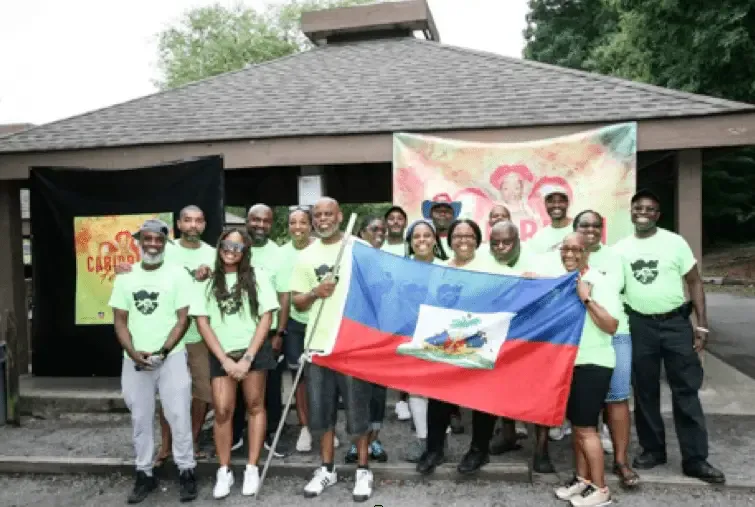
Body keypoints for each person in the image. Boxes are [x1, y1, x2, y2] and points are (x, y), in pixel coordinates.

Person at [614, 190, 725, 483]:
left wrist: (701, 325)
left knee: (685, 390)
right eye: (639, 208)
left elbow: (694, 282)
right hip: (639, 324)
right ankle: (653, 450)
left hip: (676, 324)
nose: (644, 213)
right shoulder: (621, 248)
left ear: (658, 215)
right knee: (645, 390)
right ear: (631, 212)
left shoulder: (675, 242)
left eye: (650, 209)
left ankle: (695, 459)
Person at [115, 206, 215, 467]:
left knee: (199, 395)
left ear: (204, 224)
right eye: (187, 220)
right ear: (179, 225)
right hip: (163, 339)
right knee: (161, 400)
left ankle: (190, 446)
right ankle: (165, 448)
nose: (193, 225)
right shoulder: (164, 250)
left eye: (198, 221)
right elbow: (140, 276)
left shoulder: (213, 254)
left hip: (198, 335)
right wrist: (122, 269)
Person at [290, 197, 374, 501]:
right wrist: (316, 292)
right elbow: (297, 299)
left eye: (329, 214)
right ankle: (327, 468)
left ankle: (363, 470)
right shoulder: (306, 254)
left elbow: (377, 287)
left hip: (350, 344)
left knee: (357, 413)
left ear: (339, 216)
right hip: (318, 345)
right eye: (318, 215)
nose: (323, 219)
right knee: (321, 414)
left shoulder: (358, 248)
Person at [109, 219, 198, 504]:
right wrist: (135, 353)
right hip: (134, 360)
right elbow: (120, 321)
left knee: (179, 415)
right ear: (139, 241)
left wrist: (163, 350)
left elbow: (183, 319)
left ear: (165, 243)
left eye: (158, 239)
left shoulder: (178, 275)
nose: (153, 244)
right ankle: (144, 473)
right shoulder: (126, 276)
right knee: (140, 418)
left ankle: (186, 470)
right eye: (147, 239)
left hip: (170, 357)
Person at [192, 229, 279, 498]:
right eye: (226, 244)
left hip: (253, 351)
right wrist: (225, 361)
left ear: (245, 250)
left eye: (238, 246)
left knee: (255, 406)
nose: (231, 249)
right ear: (219, 247)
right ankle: (224, 470)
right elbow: (202, 321)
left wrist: (248, 358)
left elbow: (266, 317)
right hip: (222, 354)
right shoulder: (206, 281)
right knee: (221, 410)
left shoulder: (258, 275)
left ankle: (252, 467)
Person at [549, 232, 618, 506]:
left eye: (577, 249)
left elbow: (611, 325)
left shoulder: (600, 281)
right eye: (565, 249)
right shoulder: (565, 280)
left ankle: (601, 490)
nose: (570, 254)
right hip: (570, 362)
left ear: (587, 252)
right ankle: (583, 480)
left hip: (594, 362)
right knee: (577, 427)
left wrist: (586, 299)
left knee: (587, 428)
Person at [573, 210, 639, 488]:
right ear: (575, 230)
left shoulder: (615, 257)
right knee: (582, 409)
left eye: (595, 225)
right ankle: (582, 474)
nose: (590, 229)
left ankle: (622, 462)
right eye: (583, 225)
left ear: (603, 229)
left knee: (617, 397)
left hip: (616, 334)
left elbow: (625, 295)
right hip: (581, 339)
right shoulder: (567, 254)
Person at [417, 218, 486, 475]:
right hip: (446, 342)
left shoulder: (490, 268)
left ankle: (479, 450)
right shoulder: (440, 270)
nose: (463, 240)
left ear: (477, 239)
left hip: (479, 342)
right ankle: (434, 449)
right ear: (449, 240)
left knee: (482, 399)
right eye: (457, 236)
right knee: (439, 398)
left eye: (469, 235)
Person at [230, 204, 289, 458]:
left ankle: (270, 437)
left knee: (269, 389)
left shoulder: (279, 254)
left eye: (266, 221)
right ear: (247, 221)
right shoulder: (236, 248)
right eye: (255, 220)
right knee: (236, 388)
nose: (260, 225)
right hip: (236, 331)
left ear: (272, 223)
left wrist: (280, 333)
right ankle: (235, 437)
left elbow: (284, 297)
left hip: (267, 332)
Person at [401, 219, 448, 463]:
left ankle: (438, 445)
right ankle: (424, 444)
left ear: (435, 240)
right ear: (409, 242)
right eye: (416, 236)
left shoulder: (446, 268)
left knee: (439, 392)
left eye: (426, 236)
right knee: (415, 390)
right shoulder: (400, 268)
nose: (421, 240)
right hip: (410, 335)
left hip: (441, 338)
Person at [345, 216, 390, 464]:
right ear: (361, 232)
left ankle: (375, 439)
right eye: (374, 229)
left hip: (381, 336)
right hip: (355, 335)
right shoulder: (351, 258)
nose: (379, 233)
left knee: (377, 394)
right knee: (355, 393)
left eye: (383, 229)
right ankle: (356, 442)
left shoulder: (391, 261)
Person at [278, 206, 318, 452]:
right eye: (293, 223)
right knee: (299, 378)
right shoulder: (283, 254)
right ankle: (305, 427)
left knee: (323, 377)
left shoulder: (321, 249)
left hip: (321, 323)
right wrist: (281, 330)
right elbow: (284, 295)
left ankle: (323, 426)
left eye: (303, 222)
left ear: (311, 225)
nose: (298, 227)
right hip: (295, 323)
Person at [382, 206, 413, 422]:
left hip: (407, 309)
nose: (395, 222)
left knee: (406, 356)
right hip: (383, 308)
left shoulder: (409, 248)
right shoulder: (377, 247)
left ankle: (403, 399)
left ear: (404, 223)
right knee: (382, 356)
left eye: (399, 219)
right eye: (391, 218)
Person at [528, 185, 573, 254]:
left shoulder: (580, 229)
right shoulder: (539, 237)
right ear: (545, 204)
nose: (556, 205)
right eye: (551, 201)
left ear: (567, 203)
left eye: (561, 201)